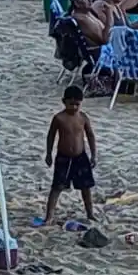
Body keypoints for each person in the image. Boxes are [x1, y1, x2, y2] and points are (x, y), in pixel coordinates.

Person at [42, 85, 97, 225]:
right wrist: (48, 153)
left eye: (77, 104)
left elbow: (90, 135)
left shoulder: (83, 117)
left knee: (86, 187)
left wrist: (93, 155)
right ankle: (49, 216)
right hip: (63, 157)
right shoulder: (59, 118)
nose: (73, 107)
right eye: (71, 104)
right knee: (57, 187)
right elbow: (51, 136)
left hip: (80, 156)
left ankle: (90, 213)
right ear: (63, 102)